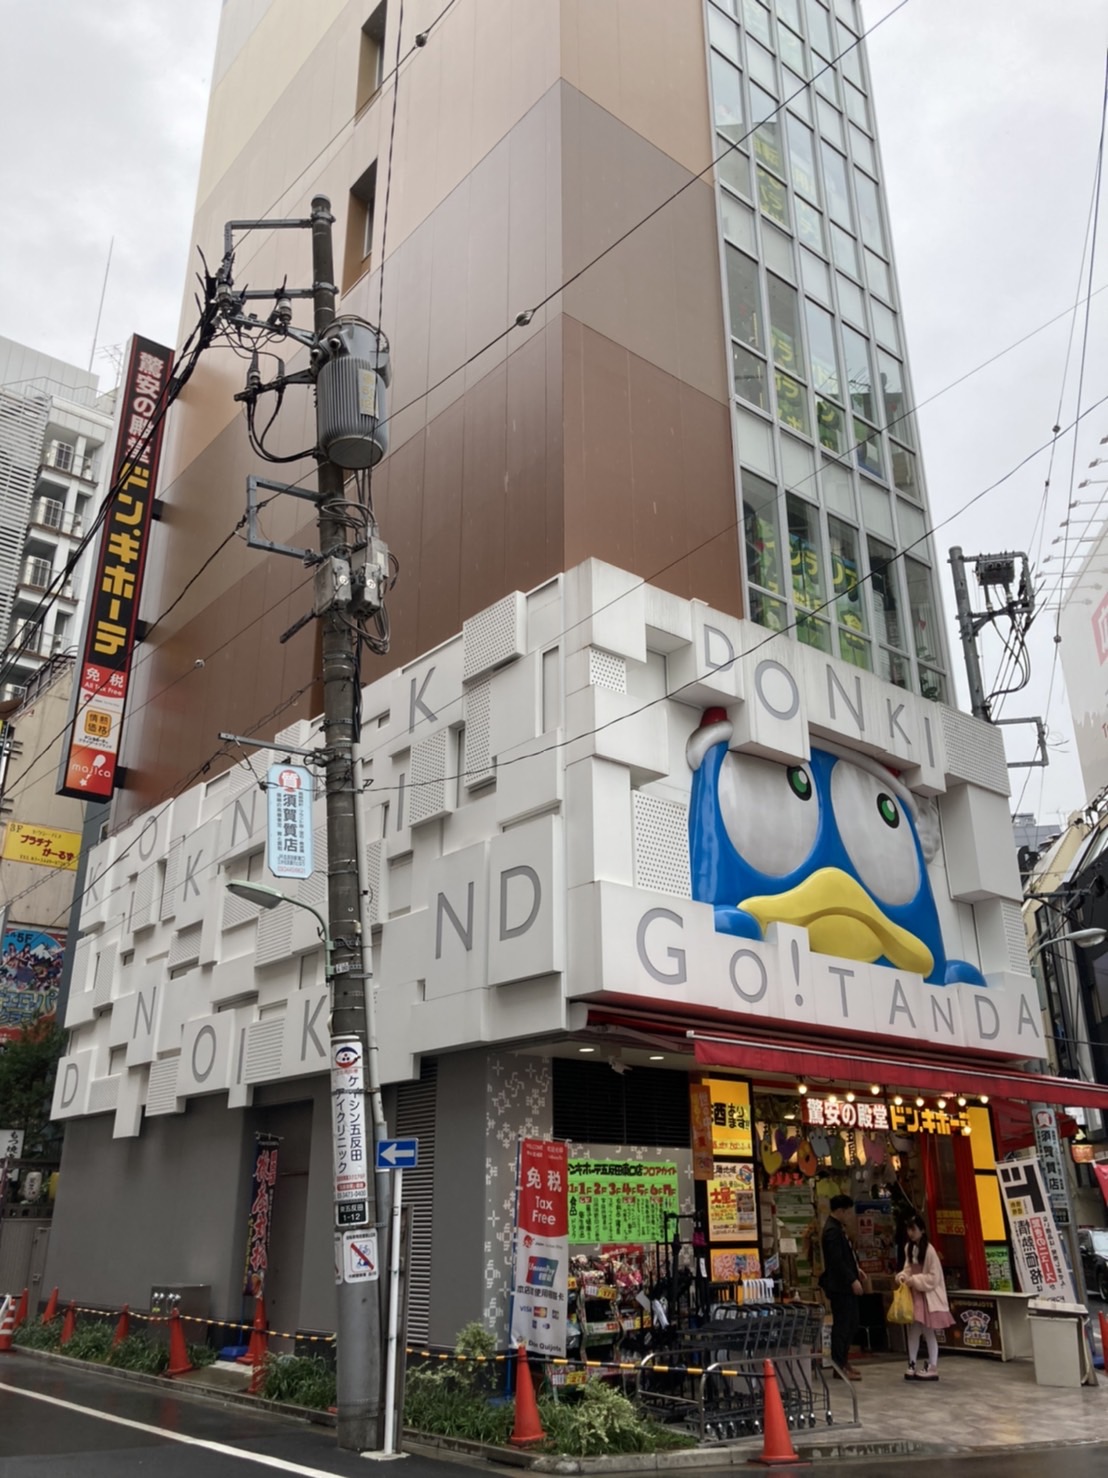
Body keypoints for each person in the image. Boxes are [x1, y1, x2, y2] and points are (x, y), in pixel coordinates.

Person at [897, 1213, 954, 1381]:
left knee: (927, 1330)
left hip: (927, 1295)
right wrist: (903, 1276)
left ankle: (932, 1365)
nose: (910, 1233)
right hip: (916, 1292)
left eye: (913, 1229)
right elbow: (907, 1268)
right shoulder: (909, 1248)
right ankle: (912, 1363)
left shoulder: (929, 1250)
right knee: (914, 1330)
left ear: (922, 1230)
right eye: (909, 1229)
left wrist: (913, 1279)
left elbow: (934, 1277)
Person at [820, 1193, 864, 1380]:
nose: (849, 1216)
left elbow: (845, 1257)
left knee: (851, 1323)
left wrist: (857, 1270)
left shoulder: (838, 1228)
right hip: (840, 1287)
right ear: (840, 1211)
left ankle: (843, 1361)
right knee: (842, 1326)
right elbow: (836, 1261)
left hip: (845, 1285)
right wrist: (852, 1280)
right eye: (848, 1212)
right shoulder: (832, 1231)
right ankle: (838, 1365)